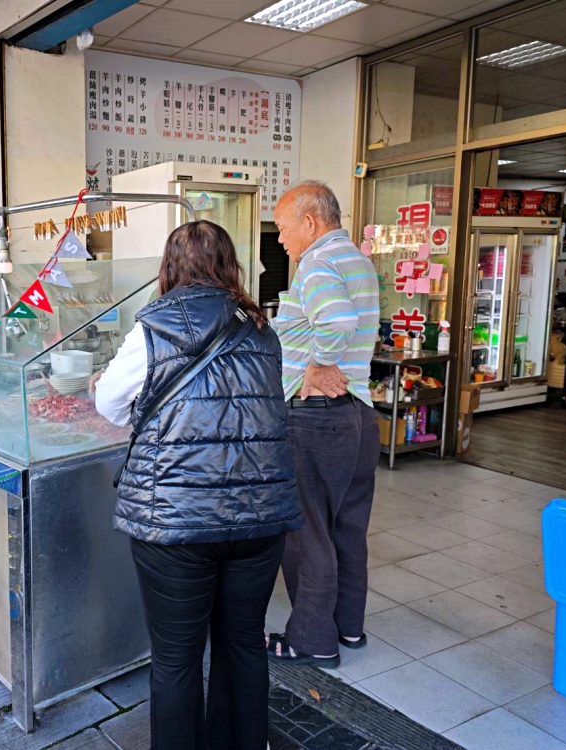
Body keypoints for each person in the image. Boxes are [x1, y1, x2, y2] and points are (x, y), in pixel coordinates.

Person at [93, 220, 302, 750]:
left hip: (176, 523)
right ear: (231, 266)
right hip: (259, 517)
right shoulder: (262, 330)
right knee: (243, 646)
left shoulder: (153, 329)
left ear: (169, 268)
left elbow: (110, 405)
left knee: (176, 659)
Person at [267, 180, 380, 668]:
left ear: (309, 222)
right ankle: (348, 628)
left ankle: (312, 638)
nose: (280, 240)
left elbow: (335, 323)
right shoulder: (357, 259)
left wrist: (317, 366)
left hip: (316, 420)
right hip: (358, 416)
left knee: (307, 529)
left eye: (282, 228)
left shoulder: (316, 262)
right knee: (346, 528)